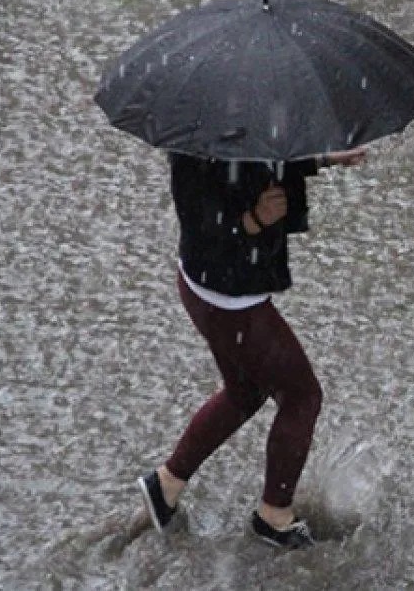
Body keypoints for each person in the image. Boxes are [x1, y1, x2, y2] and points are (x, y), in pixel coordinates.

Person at [136, 146, 367, 549]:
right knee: (302, 395)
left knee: (245, 392)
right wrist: (254, 220)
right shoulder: (198, 146)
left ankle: (166, 484)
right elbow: (202, 220)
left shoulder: (237, 124)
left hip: (211, 288)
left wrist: (323, 159)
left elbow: (261, 158)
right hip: (229, 299)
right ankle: (273, 515)